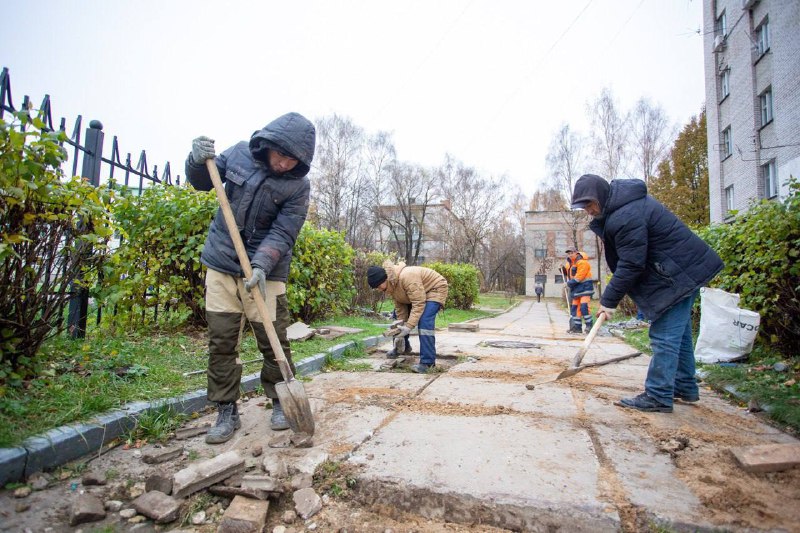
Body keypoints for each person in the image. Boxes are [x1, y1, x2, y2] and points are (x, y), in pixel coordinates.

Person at [186, 112, 316, 443]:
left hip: (266, 272)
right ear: (269, 144)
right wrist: (196, 161)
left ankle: (278, 399)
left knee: (273, 340)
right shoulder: (240, 153)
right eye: (283, 155)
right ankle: (226, 410)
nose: (286, 164)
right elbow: (203, 180)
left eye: (294, 160)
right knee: (222, 341)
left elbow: (284, 232)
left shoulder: (297, 186)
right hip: (220, 264)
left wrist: (260, 265)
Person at [571, 174, 723, 413]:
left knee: (663, 336)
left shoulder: (625, 215)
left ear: (600, 197)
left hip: (676, 275)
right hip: (681, 272)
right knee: (679, 336)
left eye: (589, 204)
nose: (588, 210)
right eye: (583, 206)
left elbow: (631, 264)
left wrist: (609, 301)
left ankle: (658, 395)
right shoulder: (623, 209)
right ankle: (684, 386)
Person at [367, 262, 448, 374]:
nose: (379, 289)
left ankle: (428, 363)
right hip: (418, 293)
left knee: (424, 321)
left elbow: (418, 303)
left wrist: (409, 327)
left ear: (385, 279)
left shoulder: (407, 277)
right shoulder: (391, 285)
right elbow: (400, 307)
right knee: (397, 317)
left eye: (378, 286)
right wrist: (401, 327)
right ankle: (402, 347)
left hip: (434, 288)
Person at [565, 249, 595, 333]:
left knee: (584, 307)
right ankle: (577, 328)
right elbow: (569, 273)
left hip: (585, 288)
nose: (570, 255)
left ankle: (589, 326)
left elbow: (579, 276)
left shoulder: (582, 262)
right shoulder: (570, 264)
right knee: (574, 308)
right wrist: (562, 269)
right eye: (568, 254)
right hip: (576, 289)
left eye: (571, 253)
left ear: (576, 253)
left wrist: (568, 283)